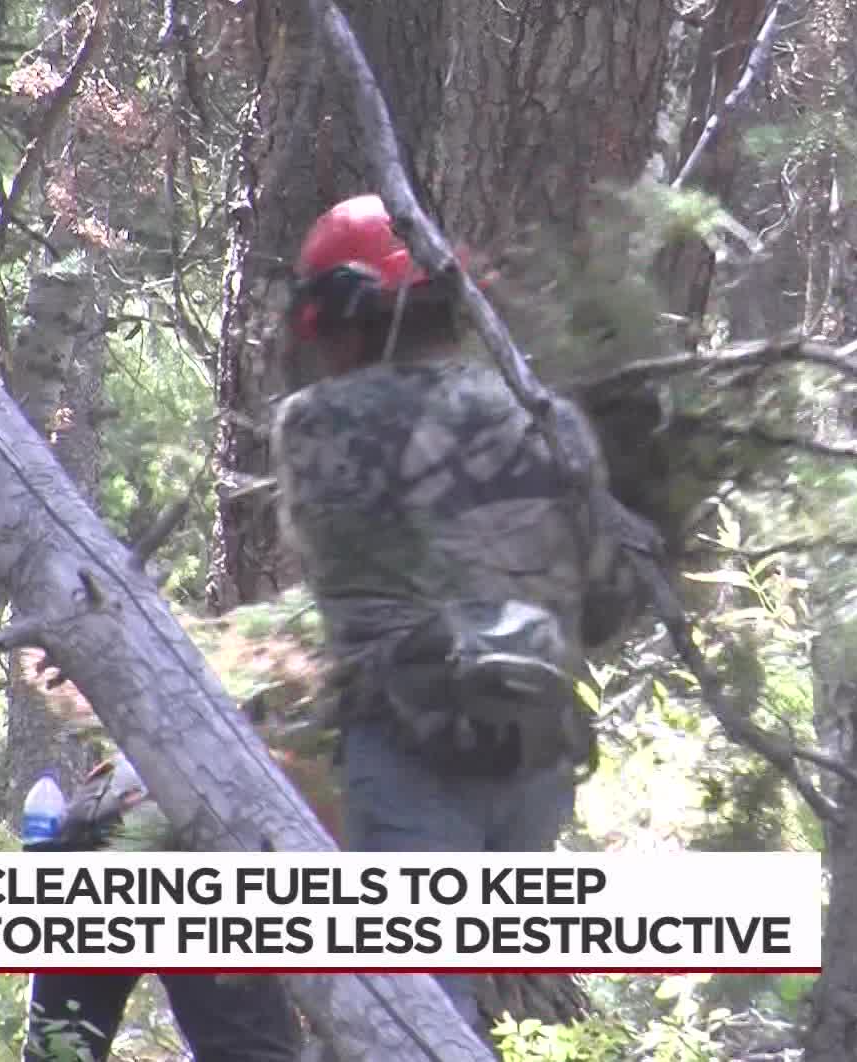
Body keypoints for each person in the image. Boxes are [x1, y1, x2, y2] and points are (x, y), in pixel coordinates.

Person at [270, 194, 646, 1034]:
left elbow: (335, 572)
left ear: (346, 315)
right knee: (443, 1000)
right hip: (536, 753)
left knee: (412, 1013)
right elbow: (602, 599)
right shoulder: (549, 417)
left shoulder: (314, 425)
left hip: (406, 749)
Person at [22, 760, 303, 1062]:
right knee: (250, 1053)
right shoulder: (302, 767)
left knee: (61, 1047)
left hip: (95, 827)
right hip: (188, 844)